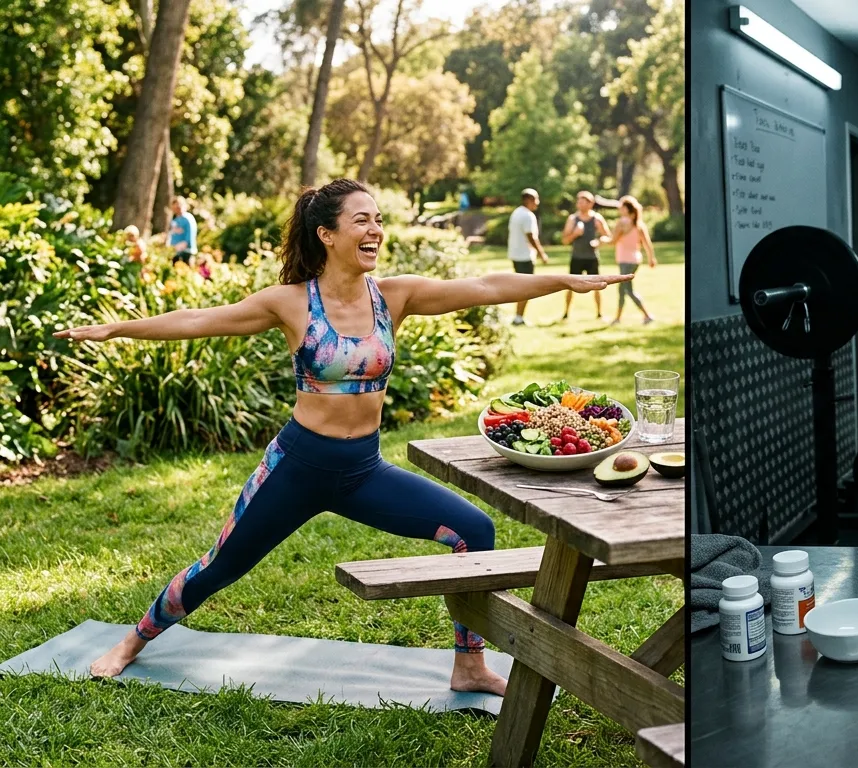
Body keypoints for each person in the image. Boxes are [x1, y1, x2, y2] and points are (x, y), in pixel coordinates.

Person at [55, 178, 631, 694]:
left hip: (363, 471)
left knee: (475, 532)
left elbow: (482, 284)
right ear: (327, 234)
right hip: (297, 468)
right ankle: (132, 641)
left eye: (378, 219)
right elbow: (201, 319)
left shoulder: (394, 296)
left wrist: (562, 280)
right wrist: (118, 329)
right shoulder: (291, 302)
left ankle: (470, 665)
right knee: (219, 568)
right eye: (362, 220)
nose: (376, 230)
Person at [560, 190, 612, 321]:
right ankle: (566, 313)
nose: (580, 204)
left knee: (597, 286)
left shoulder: (597, 219)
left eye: (583, 202)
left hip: (592, 258)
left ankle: (599, 313)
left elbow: (607, 236)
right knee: (570, 286)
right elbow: (564, 240)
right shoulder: (572, 219)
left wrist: (599, 241)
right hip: (577, 257)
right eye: (579, 202)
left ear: (590, 204)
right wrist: (575, 234)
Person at [609, 195, 656, 325]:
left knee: (627, 290)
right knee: (623, 289)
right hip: (635, 260)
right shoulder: (639, 224)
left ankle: (646, 316)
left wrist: (600, 241)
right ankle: (618, 318)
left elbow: (613, 241)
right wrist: (651, 258)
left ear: (626, 208)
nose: (619, 209)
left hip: (625, 261)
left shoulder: (622, 222)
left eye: (621, 207)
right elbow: (647, 244)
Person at [507, 188, 550, 325]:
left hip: (515, 255)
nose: (538, 202)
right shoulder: (527, 215)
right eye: (536, 199)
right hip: (524, 256)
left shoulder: (516, 212)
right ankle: (519, 317)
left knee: (522, 287)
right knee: (526, 288)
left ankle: (518, 316)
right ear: (528, 200)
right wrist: (542, 254)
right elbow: (531, 237)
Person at [168, 196, 197, 266]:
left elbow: (190, 234)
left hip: (186, 251)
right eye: (175, 207)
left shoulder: (188, 218)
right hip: (175, 251)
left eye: (179, 206)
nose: (177, 209)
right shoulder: (175, 220)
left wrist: (184, 243)